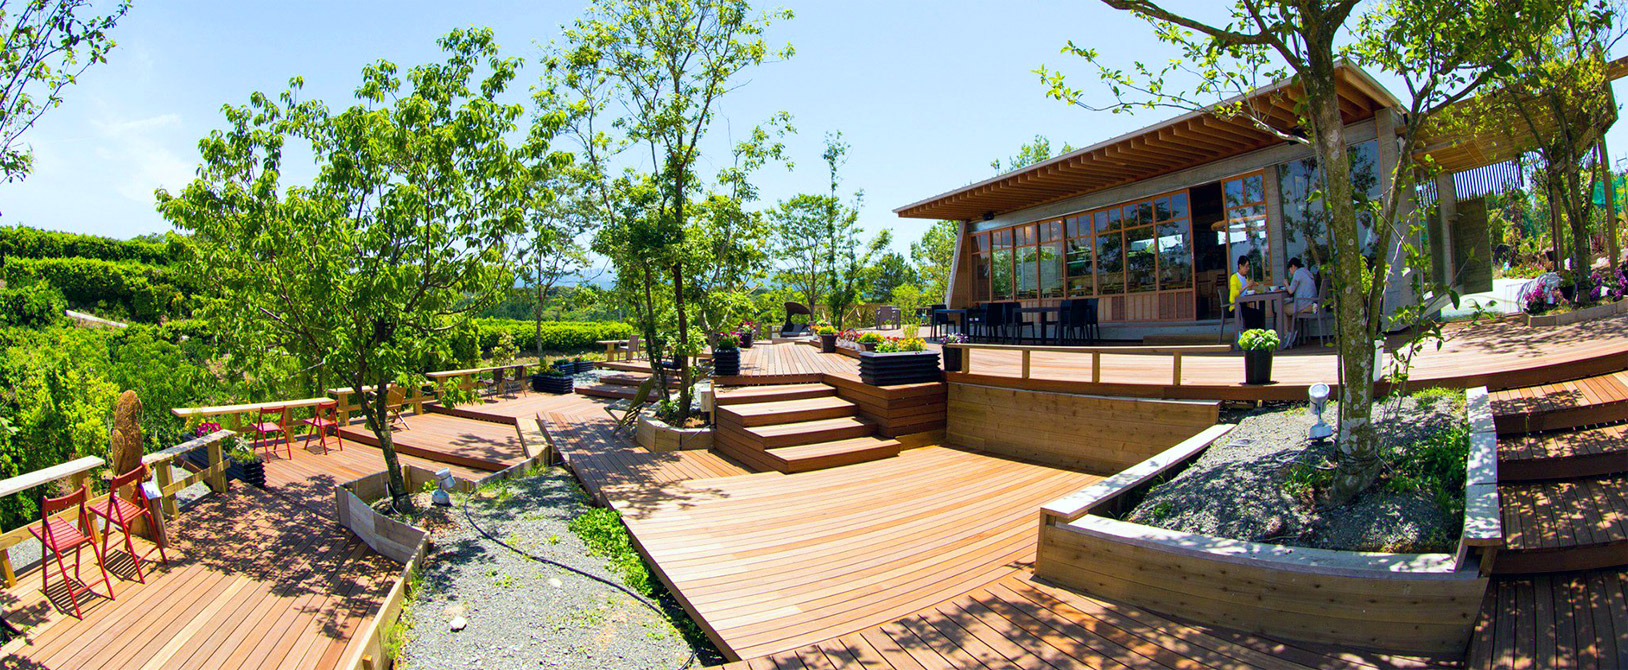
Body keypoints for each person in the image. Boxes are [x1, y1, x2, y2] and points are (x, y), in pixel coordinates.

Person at [1229, 255, 1264, 330]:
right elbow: (1234, 294)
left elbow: (1248, 291)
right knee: (1253, 315)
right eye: (1246, 266)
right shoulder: (1234, 278)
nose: (1247, 269)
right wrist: (1246, 286)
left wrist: (1254, 285)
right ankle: (1250, 335)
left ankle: (1258, 335)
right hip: (1235, 307)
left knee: (1259, 314)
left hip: (1243, 306)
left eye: (1248, 267)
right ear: (1240, 266)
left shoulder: (1246, 278)